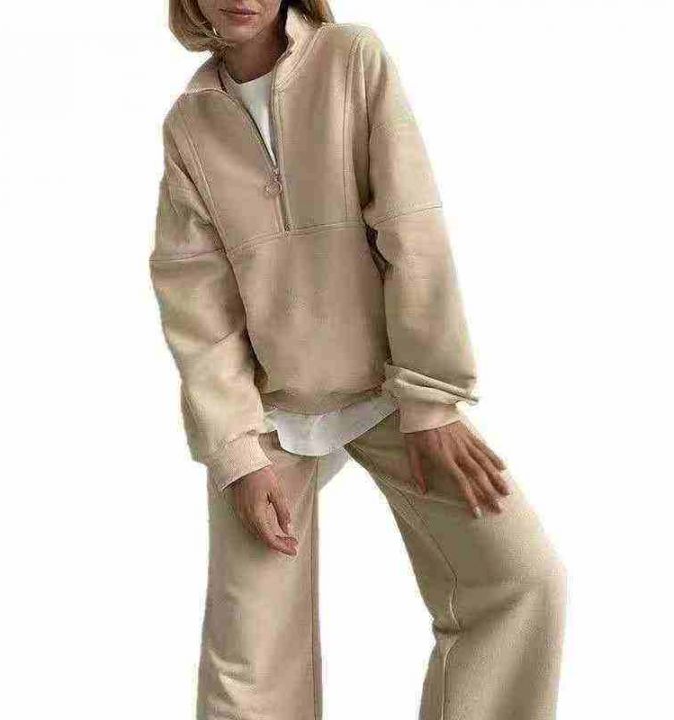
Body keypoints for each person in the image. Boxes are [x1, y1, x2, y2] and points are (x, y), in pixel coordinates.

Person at [149, 1, 568, 718]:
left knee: (522, 580)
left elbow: (411, 226)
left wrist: (430, 400)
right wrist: (238, 456)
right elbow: (196, 303)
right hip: (266, 415)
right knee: (249, 668)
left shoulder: (351, 59)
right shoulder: (190, 123)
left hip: (390, 392)